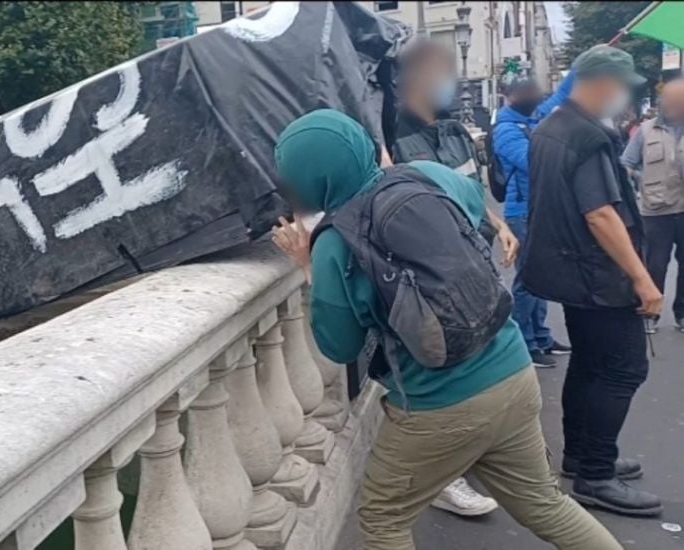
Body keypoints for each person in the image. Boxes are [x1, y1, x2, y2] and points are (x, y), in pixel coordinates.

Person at [272, 108, 621, 550]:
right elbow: (474, 201)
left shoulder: (335, 244)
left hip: (440, 405)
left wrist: (308, 268)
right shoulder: (423, 175)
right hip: (511, 369)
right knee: (544, 502)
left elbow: (340, 346)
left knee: (382, 517)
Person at [522, 45, 662, 517]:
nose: (624, 98)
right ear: (601, 83)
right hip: (597, 274)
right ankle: (595, 474)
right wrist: (643, 280)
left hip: (570, 271)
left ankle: (581, 456)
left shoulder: (550, 127)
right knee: (623, 369)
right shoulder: (585, 135)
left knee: (589, 363)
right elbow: (601, 214)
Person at [386, 37, 520, 516]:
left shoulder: (456, 132)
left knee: (482, 352)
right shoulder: (392, 135)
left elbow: (469, 188)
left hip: (475, 258)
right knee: (446, 365)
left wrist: (500, 225)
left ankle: (476, 454)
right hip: (433, 270)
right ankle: (446, 477)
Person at [493, 75, 576, 367]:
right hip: (522, 212)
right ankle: (524, 344)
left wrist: (582, 65)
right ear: (510, 97)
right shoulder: (505, 130)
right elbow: (534, 162)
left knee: (541, 277)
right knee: (528, 279)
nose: (537, 99)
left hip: (539, 209)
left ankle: (541, 336)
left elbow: (561, 96)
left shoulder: (531, 118)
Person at [621, 78, 684, 334]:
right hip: (656, 209)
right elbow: (626, 163)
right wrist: (642, 179)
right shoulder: (645, 131)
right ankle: (651, 313)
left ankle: (682, 313)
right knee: (655, 264)